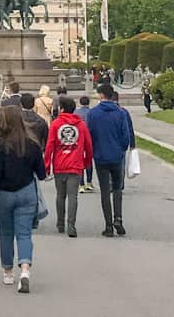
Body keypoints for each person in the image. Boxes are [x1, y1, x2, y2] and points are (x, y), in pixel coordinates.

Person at [0, 104, 45, 293]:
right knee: (25, 234)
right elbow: (41, 173)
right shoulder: (32, 144)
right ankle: (25, 269)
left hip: (4, 194)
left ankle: (8, 271)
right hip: (26, 192)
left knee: (6, 233)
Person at [85, 83, 135, 237]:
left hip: (100, 156)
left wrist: (93, 151)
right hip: (117, 156)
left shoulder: (93, 114)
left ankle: (108, 225)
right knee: (117, 188)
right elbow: (126, 136)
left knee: (105, 191)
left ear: (101, 95)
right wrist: (121, 150)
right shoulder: (120, 113)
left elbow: (90, 136)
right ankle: (118, 218)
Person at [44, 95, 93, 237]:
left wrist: (47, 165)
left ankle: (60, 223)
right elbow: (88, 146)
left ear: (62, 109)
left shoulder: (56, 124)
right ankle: (71, 225)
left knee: (60, 195)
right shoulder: (81, 125)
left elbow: (49, 146)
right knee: (73, 196)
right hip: (76, 164)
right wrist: (87, 162)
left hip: (59, 164)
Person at [76, 95, 96, 192]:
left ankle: (81, 184)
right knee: (88, 160)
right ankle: (89, 182)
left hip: (78, 139)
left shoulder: (76, 113)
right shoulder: (92, 112)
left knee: (80, 161)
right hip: (90, 138)